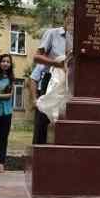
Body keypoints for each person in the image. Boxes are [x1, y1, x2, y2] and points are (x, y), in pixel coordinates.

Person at [32, 8, 72, 145]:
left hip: (72, 83)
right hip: (51, 80)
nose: (73, 19)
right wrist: (54, 63)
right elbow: (36, 57)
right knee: (43, 118)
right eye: (70, 16)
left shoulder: (82, 38)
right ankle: (39, 154)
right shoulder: (53, 34)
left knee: (67, 119)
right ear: (65, 17)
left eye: (76, 16)